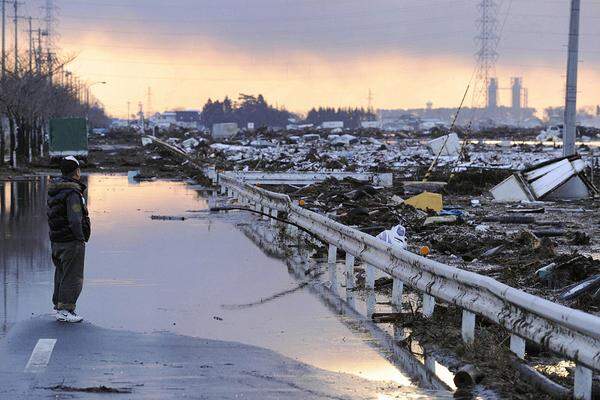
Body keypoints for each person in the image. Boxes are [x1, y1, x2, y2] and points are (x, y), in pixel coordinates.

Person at [46, 156, 91, 323]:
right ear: (76, 171)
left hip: (57, 240)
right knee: (73, 276)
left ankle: (59, 307)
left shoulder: (55, 189)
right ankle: (66, 310)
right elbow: (74, 218)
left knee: (61, 273)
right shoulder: (72, 192)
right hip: (71, 241)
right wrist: (80, 238)